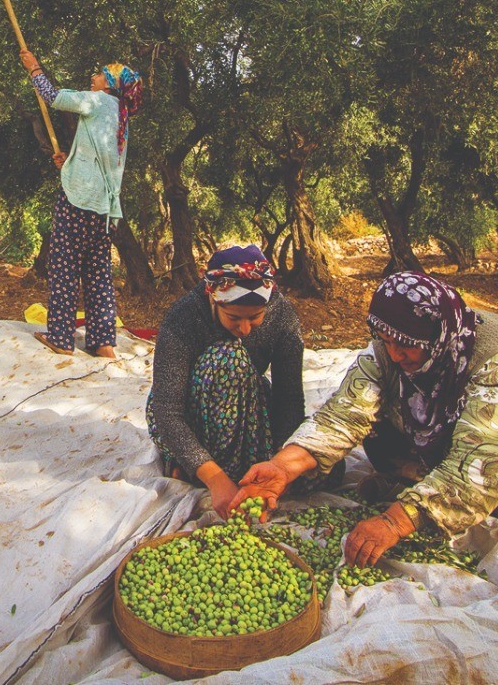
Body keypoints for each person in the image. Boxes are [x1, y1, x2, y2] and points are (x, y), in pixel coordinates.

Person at [227, 271, 498, 566]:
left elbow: (483, 462)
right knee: (379, 436)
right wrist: (282, 468)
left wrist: (395, 521)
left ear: (439, 336)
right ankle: (435, 491)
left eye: (408, 345)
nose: (395, 354)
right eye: (386, 341)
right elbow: (342, 417)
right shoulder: (389, 350)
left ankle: (437, 495)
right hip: (454, 431)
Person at [146, 245, 315, 514]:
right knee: (228, 356)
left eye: (255, 317)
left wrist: (280, 465)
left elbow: (289, 397)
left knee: (320, 468)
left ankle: (226, 469)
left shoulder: (282, 316)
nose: (245, 329)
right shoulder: (184, 317)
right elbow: (167, 410)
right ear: (214, 299)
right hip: (191, 416)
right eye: (234, 318)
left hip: (244, 402)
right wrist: (214, 478)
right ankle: (198, 465)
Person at [19, 48, 143, 359]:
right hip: (104, 210)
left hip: (77, 202)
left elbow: (54, 97)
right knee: (97, 273)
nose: (93, 77)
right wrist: (70, 162)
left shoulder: (99, 101)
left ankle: (60, 338)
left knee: (64, 267)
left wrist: (34, 68)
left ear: (110, 84)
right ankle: (103, 343)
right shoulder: (122, 118)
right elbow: (98, 156)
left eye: (100, 74)